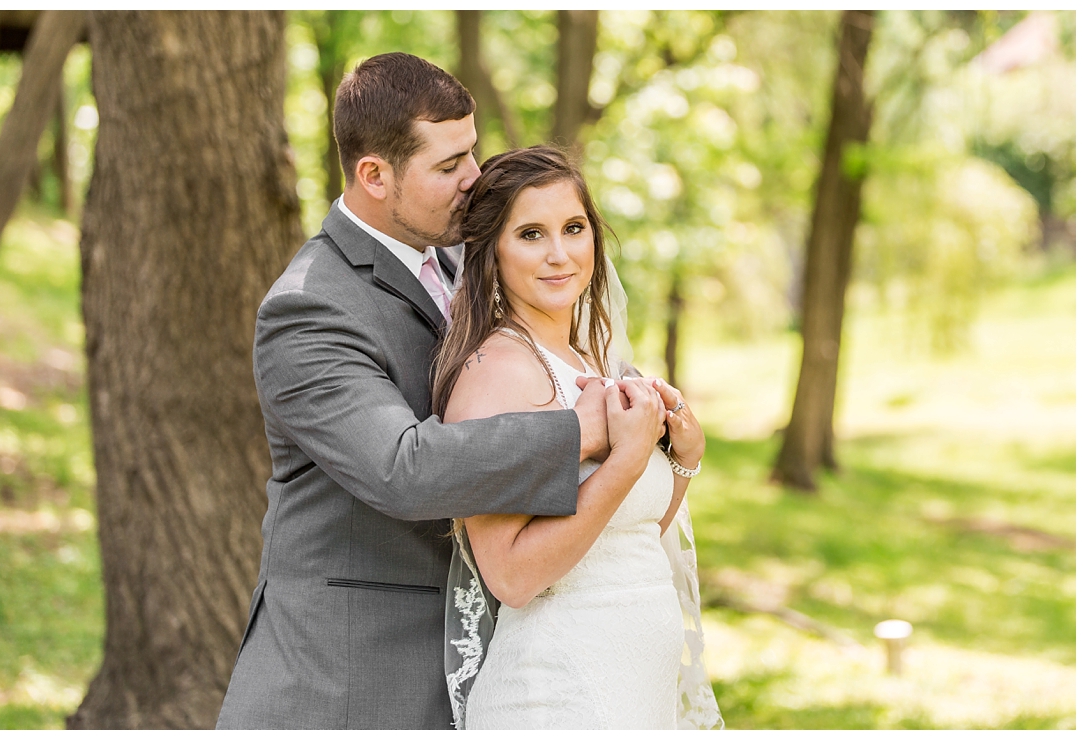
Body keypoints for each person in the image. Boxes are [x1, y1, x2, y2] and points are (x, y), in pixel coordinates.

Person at [215, 53, 617, 730]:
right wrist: (582, 431)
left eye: (473, 153)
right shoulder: (311, 308)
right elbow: (401, 470)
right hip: (347, 683)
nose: (475, 179)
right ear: (374, 174)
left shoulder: (471, 257)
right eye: (448, 165)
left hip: (490, 664)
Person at [433, 146, 722, 729]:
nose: (560, 254)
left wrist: (685, 461)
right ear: (492, 252)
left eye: (573, 228)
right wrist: (630, 457)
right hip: (559, 693)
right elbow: (512, 577)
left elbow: (626, 539)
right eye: (532, 234)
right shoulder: (498, 372)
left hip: (635, 689)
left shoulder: (588, 358)